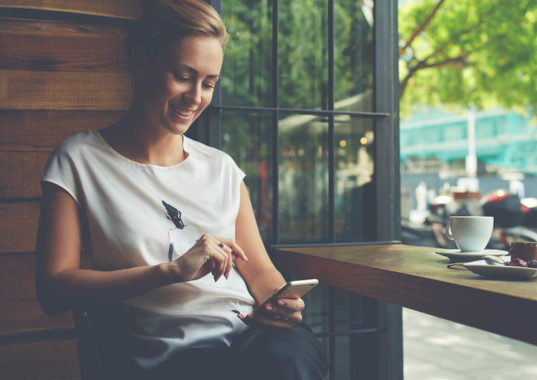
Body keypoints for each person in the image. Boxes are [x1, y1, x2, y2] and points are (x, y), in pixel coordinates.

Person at [35, 1, 327, 379]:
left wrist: (281, 301)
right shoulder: (79, 161)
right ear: (140, 62)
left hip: (255, 340)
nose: (196, 97)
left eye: (209, 83)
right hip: (170, 359)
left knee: (288, 357)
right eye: (183, 75)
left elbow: (260, 274)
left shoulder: (222, 168)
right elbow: (53, 291)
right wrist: (170, 271)